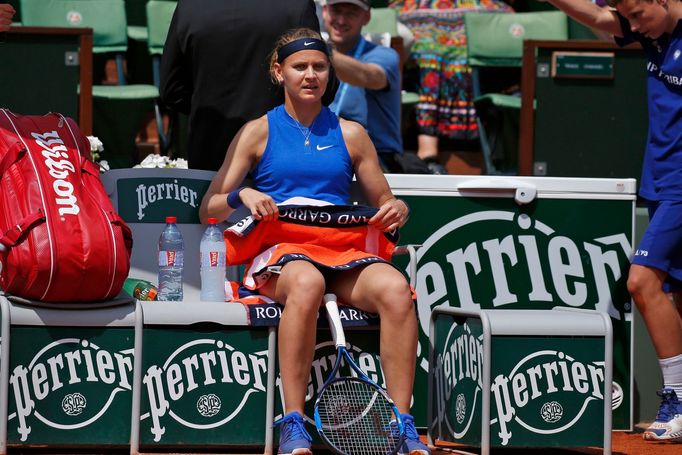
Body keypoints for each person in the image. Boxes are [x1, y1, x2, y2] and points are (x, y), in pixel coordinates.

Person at [199, 28, 430, 455]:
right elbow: (208, 208)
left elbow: (384, 200)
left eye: (319, 66)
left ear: (330, 73)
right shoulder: (257, 131)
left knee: (398, 290)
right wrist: (241, 195)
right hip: (281, 257)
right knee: (306, 282)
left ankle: (401, 426)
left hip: (341, 253)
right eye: (300, 66)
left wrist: (398, 208)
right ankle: (293, 423)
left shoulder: (352, 134)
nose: (311, 75)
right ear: (278, 71)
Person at [543, 0, 682, 443]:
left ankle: (676, 398)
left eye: (639, 14)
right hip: (660, 180)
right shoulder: (651, 31)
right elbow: (600, 18)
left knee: (642, 281)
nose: (632, 26)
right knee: (675, 294)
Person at [159, 0, 320, 171]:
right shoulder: (297, 5)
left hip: (209, 152)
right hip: (279, 155)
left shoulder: (189, 6)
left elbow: (171, 90)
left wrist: (211, 115)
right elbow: (322, 86)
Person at [389, 0, 513, 174]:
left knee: (461, 45)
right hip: (417, 7)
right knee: (428, 49)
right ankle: (427, 150)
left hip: (478, 6)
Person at [323, 0, 405, 173]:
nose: (341, 20)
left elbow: (368, 76)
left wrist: (321, 51)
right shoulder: (309, 60)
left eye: (351, 13)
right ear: (324, 11)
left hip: (378, 156)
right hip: (325, 152)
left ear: (366, 17)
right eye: (336, 11)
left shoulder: (385, 55)